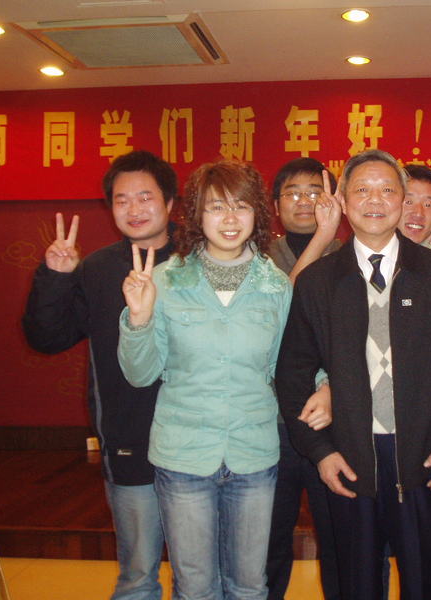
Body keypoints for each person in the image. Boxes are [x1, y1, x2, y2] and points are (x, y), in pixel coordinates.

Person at [275, 149, 431, 600]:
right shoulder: (317, 281)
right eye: (362, 190)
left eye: (388, 190)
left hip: (425, 457)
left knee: (422, 582)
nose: (375, 200)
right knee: (356, 584)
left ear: (402, 199)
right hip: (349, 457)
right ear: (343, 200)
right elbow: (293, 374)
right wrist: (320, 451)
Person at [118, 160, 292, 600]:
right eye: (216, 207)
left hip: (253, 455)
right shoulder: (164, 280)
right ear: (196, 214)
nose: (230, 219)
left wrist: (325, 383)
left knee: (250, 585)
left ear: (257, 214)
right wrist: (138, 319)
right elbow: (140, 375)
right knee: (195, 587)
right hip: (183, 456)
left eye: (241, 206)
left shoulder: (276, 286)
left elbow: (285, 367)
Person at [22, 150, 177, 600]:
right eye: (121, 200)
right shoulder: (97, 268)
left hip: (198, 442)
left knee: (202, 573)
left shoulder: (198, 262)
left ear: (170, 203)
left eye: (145, 197)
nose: (133, 209)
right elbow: (47, 337)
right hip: (129, 439)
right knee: (137, 575)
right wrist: (56, 277)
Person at [266, 157, 341, 600]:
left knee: (338, 538)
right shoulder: (258, 256)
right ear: (276, 205)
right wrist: (322, 238)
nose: (304, 201)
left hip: (333, 420)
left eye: (315, 192)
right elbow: (281, 309)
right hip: (270, 421)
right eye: (292, 193)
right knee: (269, 541)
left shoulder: (350, 253)